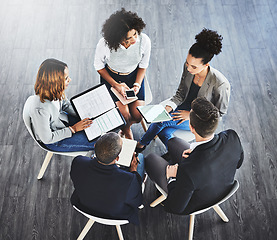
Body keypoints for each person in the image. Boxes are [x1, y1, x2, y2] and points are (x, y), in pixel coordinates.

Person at [144, 97, 244, 214]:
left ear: (191, 128)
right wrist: (196, 152)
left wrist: (172, 177)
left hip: (195, 200)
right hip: (222, 184)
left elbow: (174, 208)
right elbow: (238, 163)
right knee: (173, 142)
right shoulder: (232, 137)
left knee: (150, 159)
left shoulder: (188, 172)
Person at [136, 28, 230, 151]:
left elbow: (219, 114)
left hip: (199, 118)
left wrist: (191, 115)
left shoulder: (220, 84)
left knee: (161, 122)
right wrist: (170, 106)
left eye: (194, 66)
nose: (188, 68)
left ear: (206, 65)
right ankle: (177, 154)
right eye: (187, 63)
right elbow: (181, 93)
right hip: (182, 106)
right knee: (164, 132)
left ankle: (141, 145)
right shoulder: (188, 69)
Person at [94, 8, 151, 139]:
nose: (134, 40)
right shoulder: (104, 45)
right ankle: (126, 131)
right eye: (128, 38)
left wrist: (137, 84)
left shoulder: (144, 41)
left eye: (135, 34)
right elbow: (99, 67)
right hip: (112, 78)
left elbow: (143, 66)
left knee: (137, 116)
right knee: (124, 114)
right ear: (117, 38)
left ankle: (126, 127)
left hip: (133, 76)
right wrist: (116, 85)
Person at [70, 132, 143, 224]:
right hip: (115, 215)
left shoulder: (78, 162)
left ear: (95, 146)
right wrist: (134, 171)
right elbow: (138, 202)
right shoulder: (129, 179)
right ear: (117, 158)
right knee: (141, 157)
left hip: (83, 205)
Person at [30, 58, 95, 152]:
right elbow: (47, 138)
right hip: (55, 140)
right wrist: (74, 129)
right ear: (55, 82)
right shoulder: (40, 109)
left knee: (95, 126)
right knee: (98, 142)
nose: (70, 80)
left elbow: (65, 105)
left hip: (62, 122)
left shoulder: (55, 91)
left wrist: (82, 114)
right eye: (66, 78)